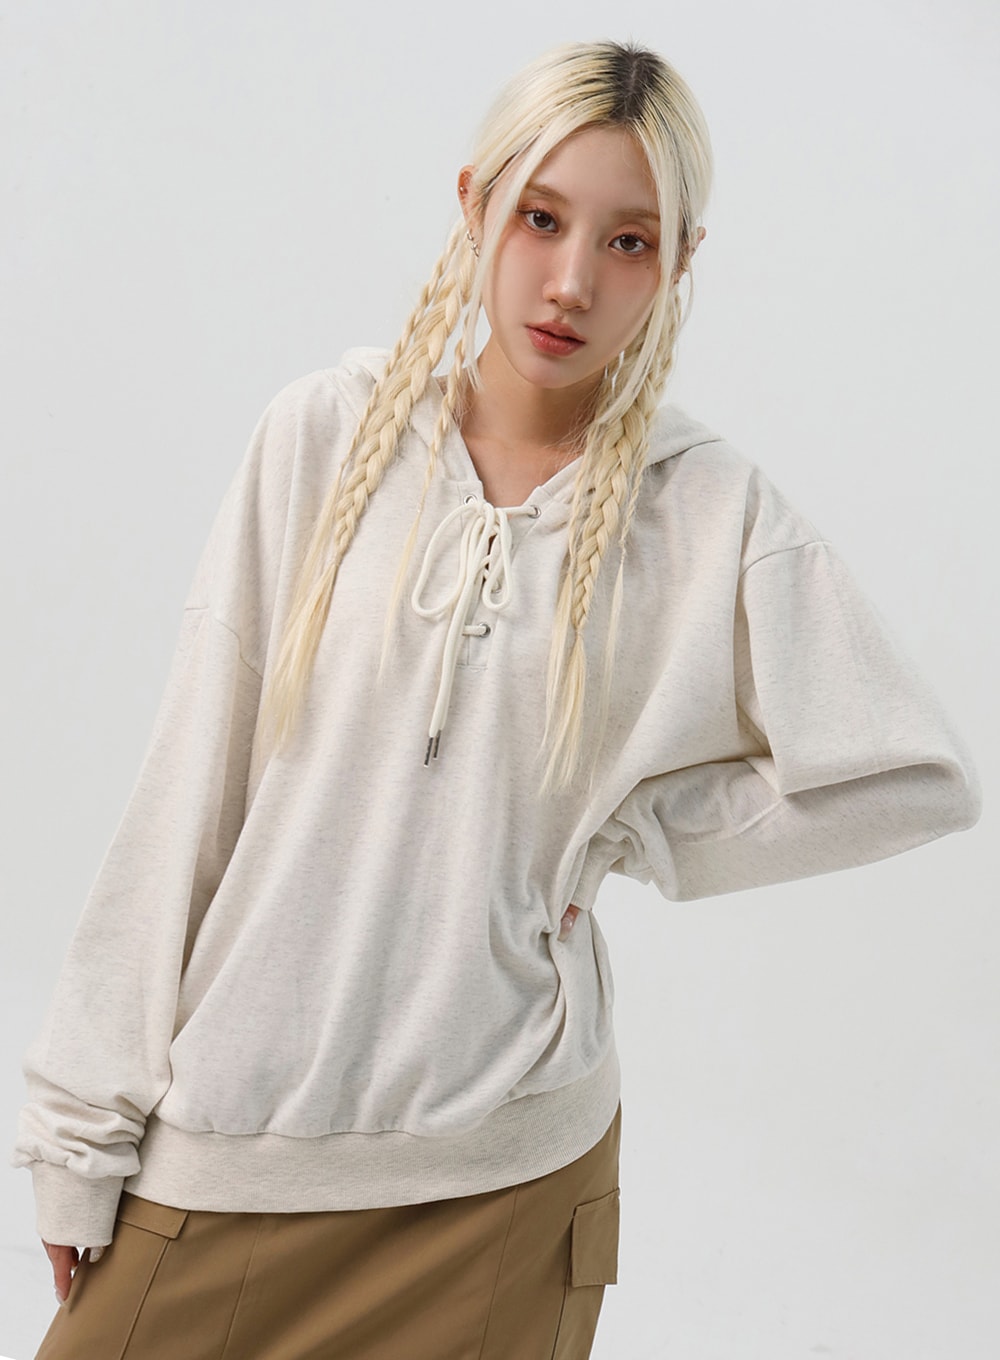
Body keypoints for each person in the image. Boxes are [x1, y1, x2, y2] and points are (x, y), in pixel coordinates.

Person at [13, 38, 979, 1360]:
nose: (573, 280)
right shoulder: (323, 437)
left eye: (630, 242)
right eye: (541, 218)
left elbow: (910, 775)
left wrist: (638, 830)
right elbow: (187, 787)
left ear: (680, 264)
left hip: (506, 1184)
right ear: (474, 203)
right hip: (233, 1154)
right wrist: (81, 1131)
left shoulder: (707, 514)